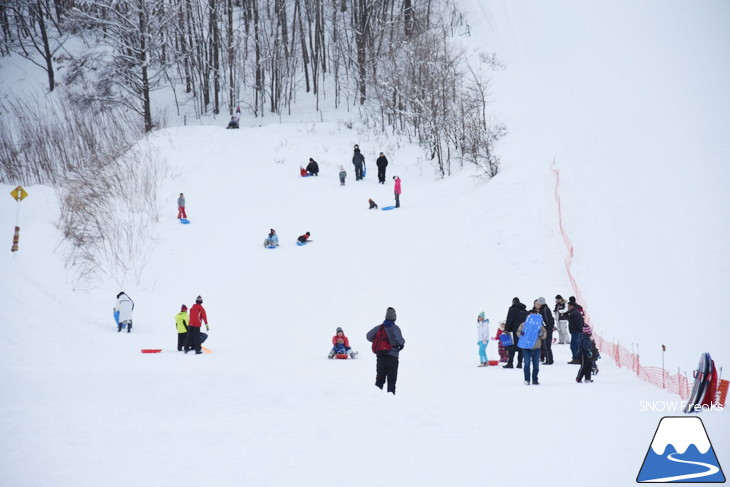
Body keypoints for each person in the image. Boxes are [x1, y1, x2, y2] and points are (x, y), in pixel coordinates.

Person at [366, 307, 405, 394]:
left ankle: (375, 399)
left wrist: (378, 341)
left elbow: (368, 336)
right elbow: (400, 341)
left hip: (381, 357)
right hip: (392, 358)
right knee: (391, 381)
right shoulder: (395, 328)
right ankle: (391, 403)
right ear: (395, 318)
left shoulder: (379, 327)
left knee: (379, 380)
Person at [517, 309, 547, 385]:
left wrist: (541, 334)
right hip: (526, 347)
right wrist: (523, 335)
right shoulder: (524, 324)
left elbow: (544, 335)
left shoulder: (539, 325)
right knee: (527, 364)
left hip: (536, 347)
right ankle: (527, 379)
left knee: (536, 365)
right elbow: (518, 333)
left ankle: (535, 380)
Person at [503, 297, 527, 368]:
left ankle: (510, 363)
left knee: (511, 347)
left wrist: (506, 329)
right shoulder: (525, 311)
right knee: (521, 347)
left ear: (513, 302)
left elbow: (509, 319)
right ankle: (519, 363)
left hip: (513, 331)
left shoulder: (512, 309)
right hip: (522, 331)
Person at [536, 297, 555, 364]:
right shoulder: (543, 309)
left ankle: (549, 360)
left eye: (538, 303)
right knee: (545, 345)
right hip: (546, 329)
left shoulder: (545, 310)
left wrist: (546, 328)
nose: (537, 305)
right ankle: (548, 359)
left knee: (547, 345)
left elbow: (547, 320)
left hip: (547, 330)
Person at [567, 298, 585, 364]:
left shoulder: (574, 313)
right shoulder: (574, 312)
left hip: (576, 332)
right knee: (575, 346)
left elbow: (578, 323)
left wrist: (579, 330)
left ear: (572, 306)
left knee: (574, 346)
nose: (568, 308)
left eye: (568, 306)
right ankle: (576, 358)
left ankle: (576, 358)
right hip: (576, 331)